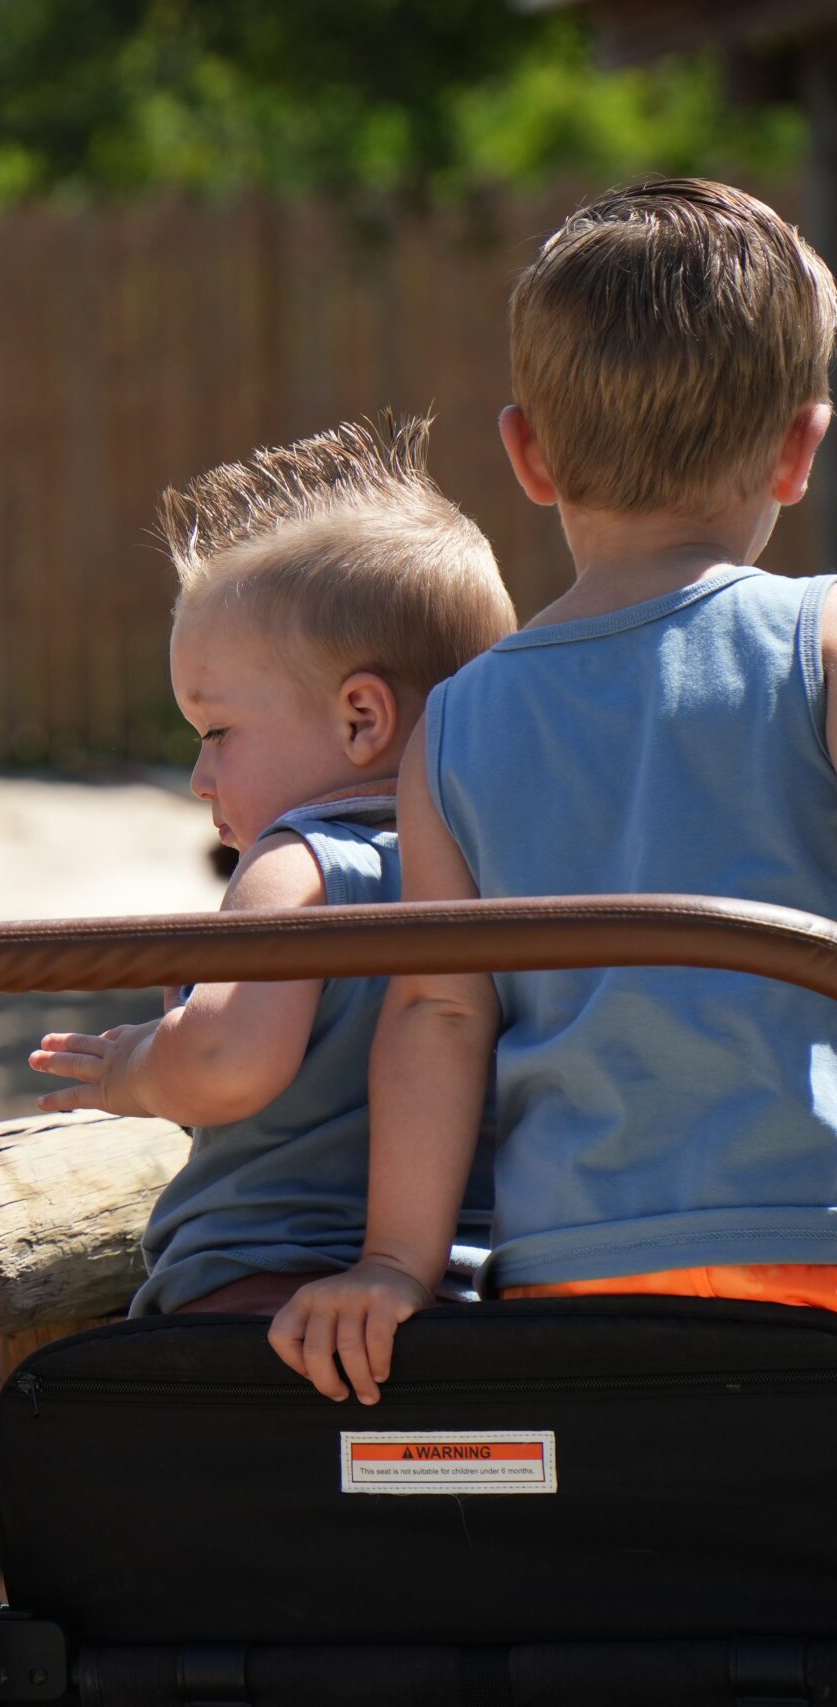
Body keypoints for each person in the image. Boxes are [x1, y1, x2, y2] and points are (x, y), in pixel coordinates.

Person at [272, 179, 837, 1405]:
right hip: (814, 1253)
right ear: (801, 448)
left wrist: (392, 1264)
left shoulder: (458, 721)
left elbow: (437, 1016)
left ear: (525, 455)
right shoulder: (821, 640)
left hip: (573, 1283)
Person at [30, 414, 515, 1316]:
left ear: (360, 719)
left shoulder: (298, 863)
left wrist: (135, 1066)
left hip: (258, 1296)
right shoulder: (506, 865)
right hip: (459, 1294)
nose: (199, 776)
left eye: (216, 732)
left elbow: (226, 1057)